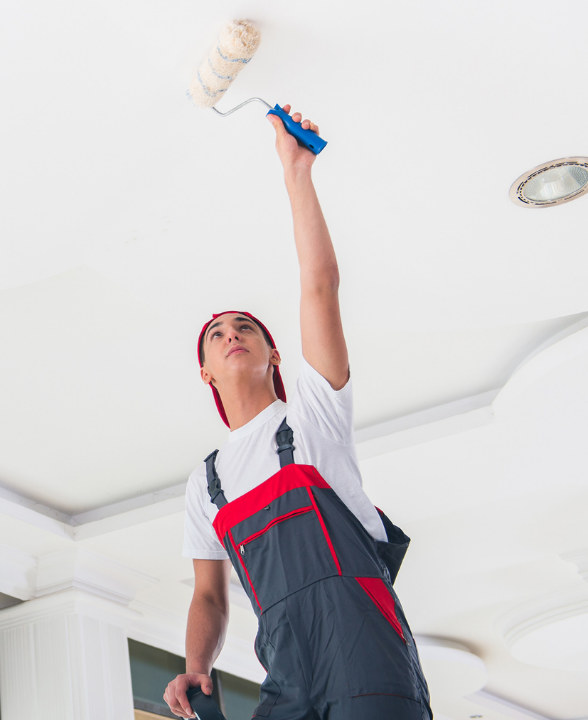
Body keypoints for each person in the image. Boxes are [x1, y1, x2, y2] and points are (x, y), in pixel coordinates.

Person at [162, 107, 432, 720]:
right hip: (286, 666)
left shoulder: (313, 413)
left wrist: (296, 173)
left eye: (246, 327)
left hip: (366, 652)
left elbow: (320, 284)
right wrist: (196, 668)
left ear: (272, 352)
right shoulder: (208, 481)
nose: (232, 334)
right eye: (217, 334)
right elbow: (209, 594)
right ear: (206, 370)